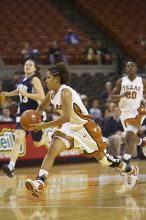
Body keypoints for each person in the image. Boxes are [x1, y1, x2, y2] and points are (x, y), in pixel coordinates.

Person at [25, 63, 139, 198]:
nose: (46, 80)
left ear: (57, 79)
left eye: (49, 77)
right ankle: (39, 182)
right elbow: (40, 109)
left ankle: (131, 170)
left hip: (85, 127)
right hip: (69, 128)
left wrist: (43, 125)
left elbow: (66, 117)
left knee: (104, 160)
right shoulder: (51, 94)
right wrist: (33, 117)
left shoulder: (65, 92)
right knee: (52, 150)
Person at [0, 59, 50, 178]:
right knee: (18, 139)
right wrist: (8, 94)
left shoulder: (35, 79)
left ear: (35, 68)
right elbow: (19, 91)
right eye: (26, 64)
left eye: (30, 65)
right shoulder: (23, 78)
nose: (27, 66)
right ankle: (11, 166)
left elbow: (42, 97)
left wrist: (27, 94)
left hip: (33, 114)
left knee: (37, 143)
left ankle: (48, 137)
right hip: (22, 113)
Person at [111, 61, 146, 160]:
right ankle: (142, 142)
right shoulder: (121, 81)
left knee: (128, 137)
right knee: (129, 137)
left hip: (138, 112)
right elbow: (113, 97)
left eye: (132, 66)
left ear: (136, 68)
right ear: (126, 69)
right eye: (128, 66)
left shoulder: (142, 81)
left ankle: (126, 164)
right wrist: (121, 95)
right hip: (124, 113)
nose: (130, 67)